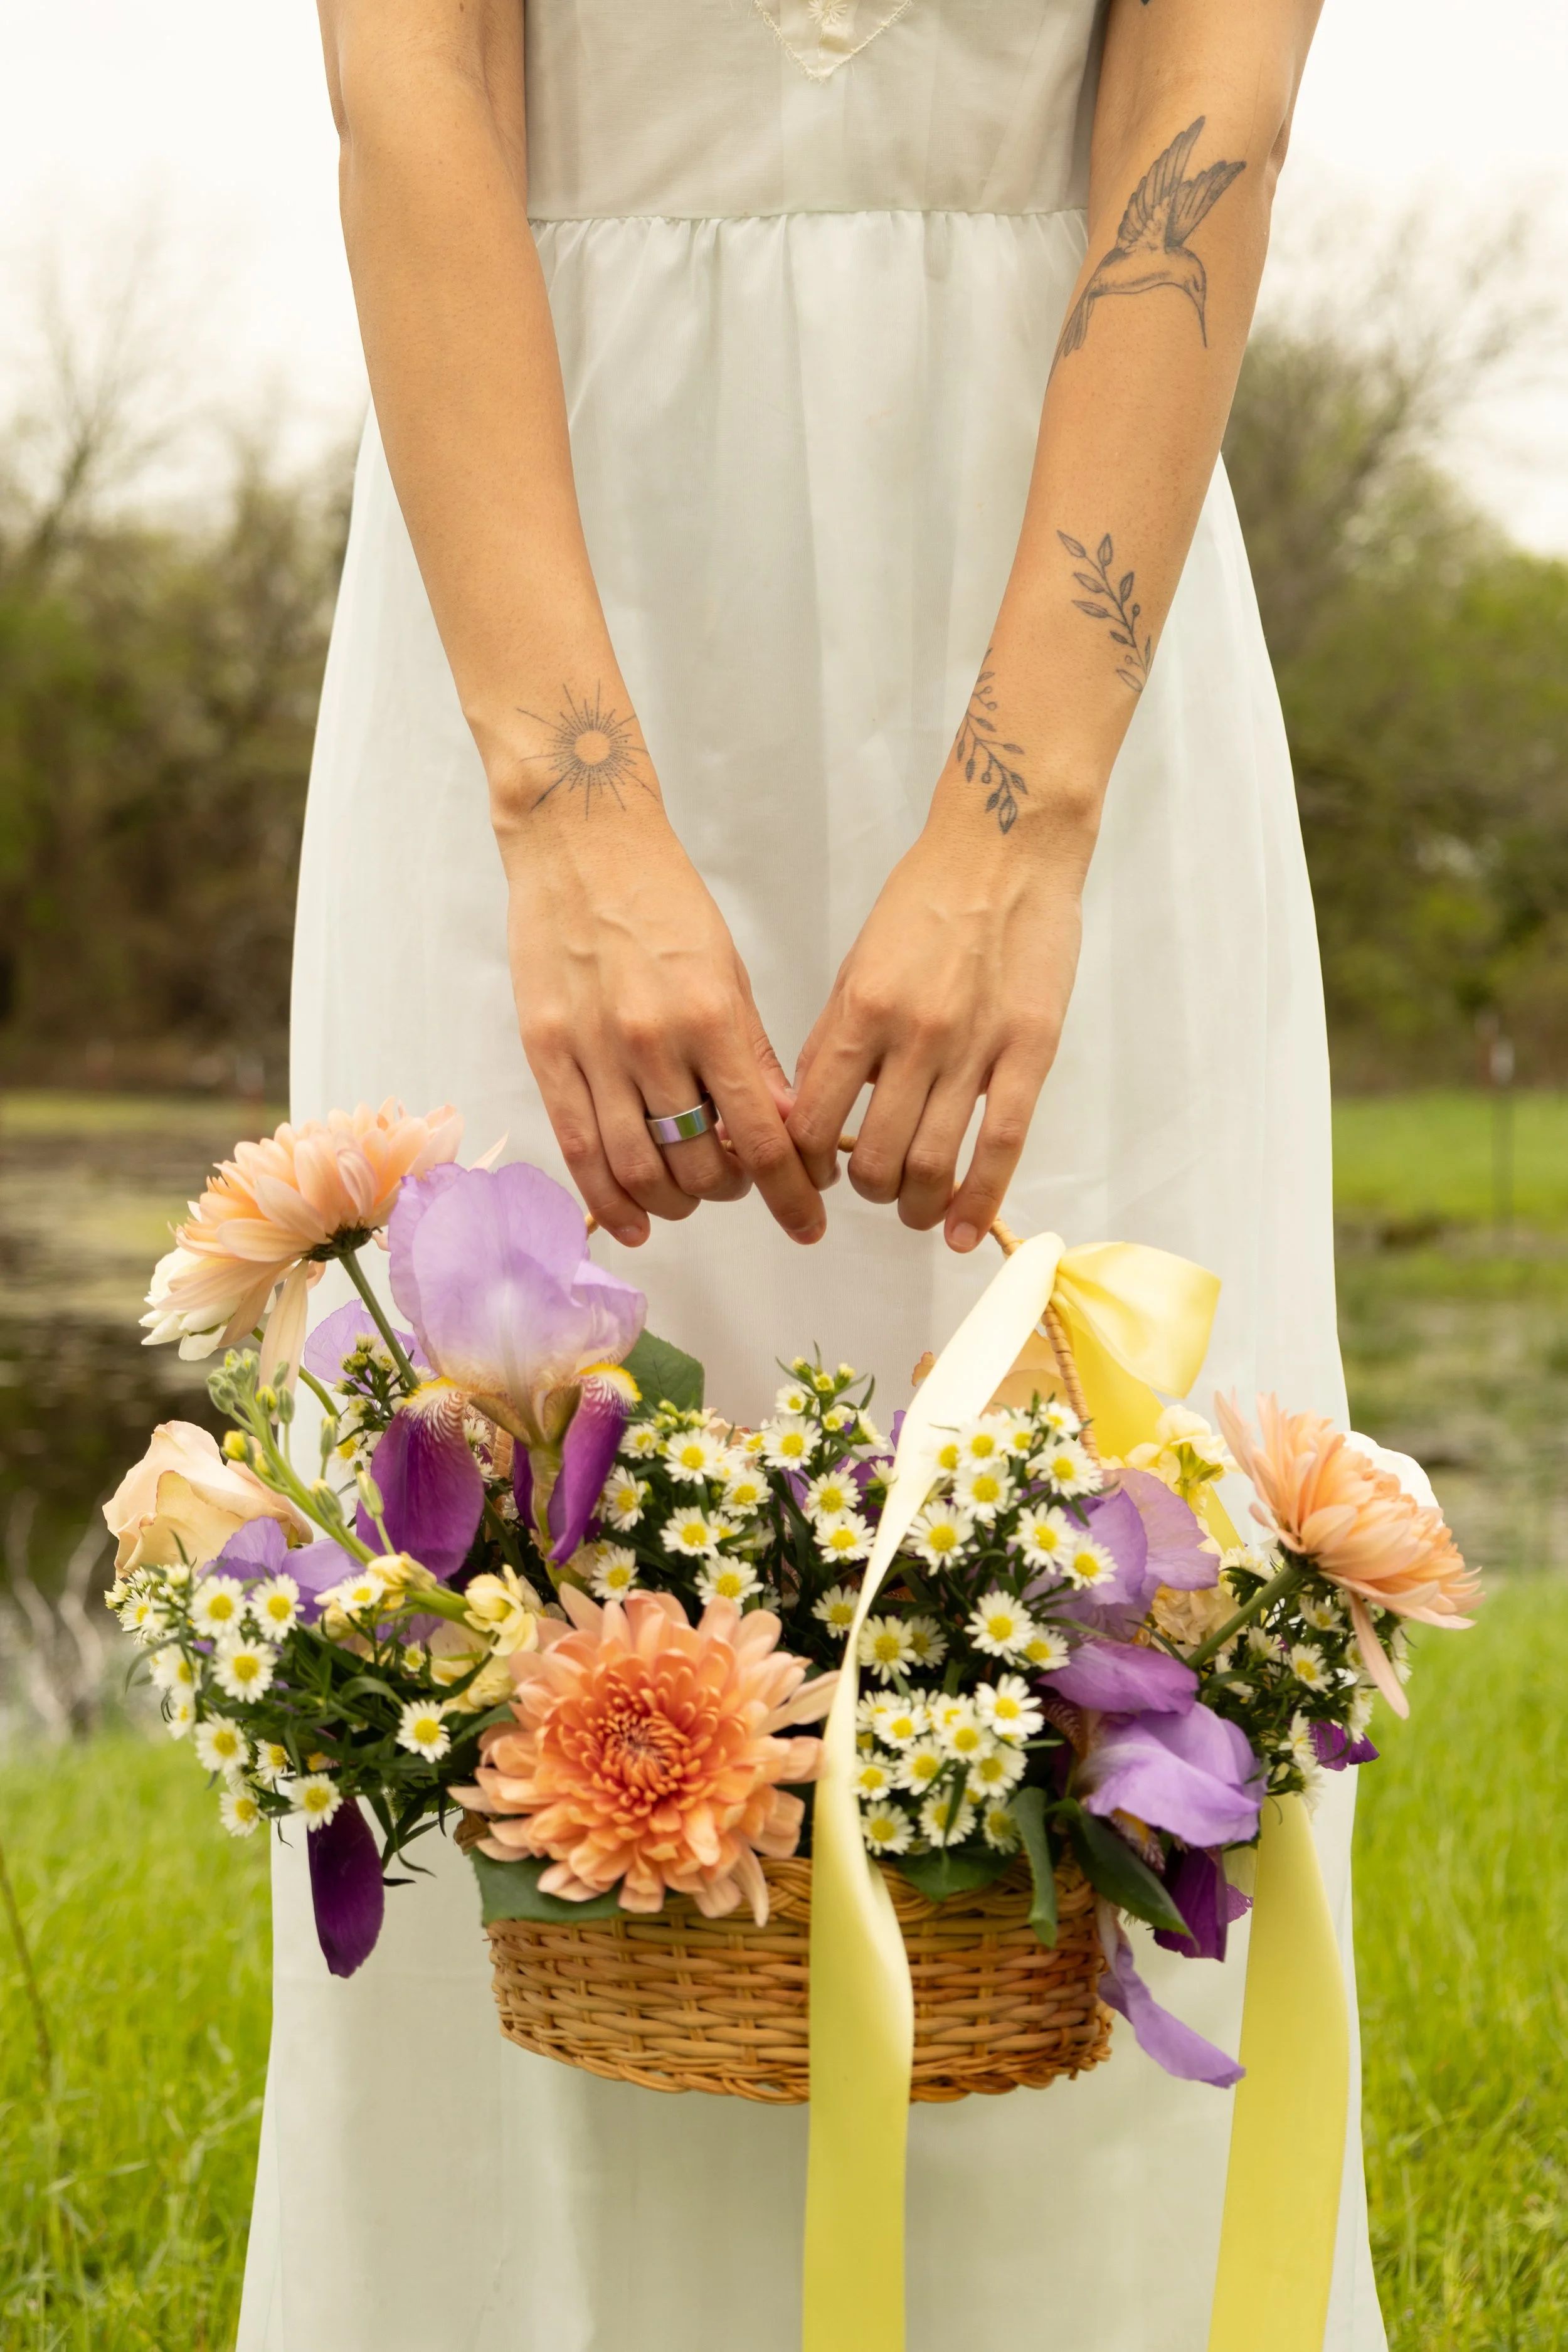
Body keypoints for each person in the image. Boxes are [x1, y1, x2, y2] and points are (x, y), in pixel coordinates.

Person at [238, 0, 1385, 2344]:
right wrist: (564, 807)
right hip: (534, 555)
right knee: (490, 1584)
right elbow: (407, 79)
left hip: (1064, 562)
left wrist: (1022, 819)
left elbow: (1216, 83)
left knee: (1121, 1560)